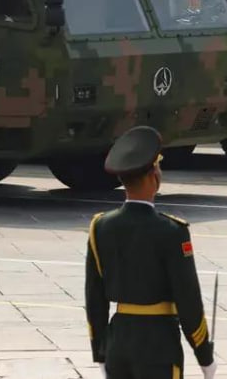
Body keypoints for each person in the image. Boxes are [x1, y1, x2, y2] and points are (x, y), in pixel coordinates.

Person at [84, 126, 216, 379]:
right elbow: (188, 299)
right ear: (154, 175)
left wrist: (100, 352)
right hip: (159, 346)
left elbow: (95, 298)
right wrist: (204, 356)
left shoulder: (100, 227)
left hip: (118, 343)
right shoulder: (172, 231)